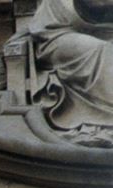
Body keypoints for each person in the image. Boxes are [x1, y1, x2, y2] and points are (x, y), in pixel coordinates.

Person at [27, 0, 113, 146]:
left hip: (100, 33)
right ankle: (105, 123)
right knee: (100, 50)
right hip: (57, 35)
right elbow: (92, 5)